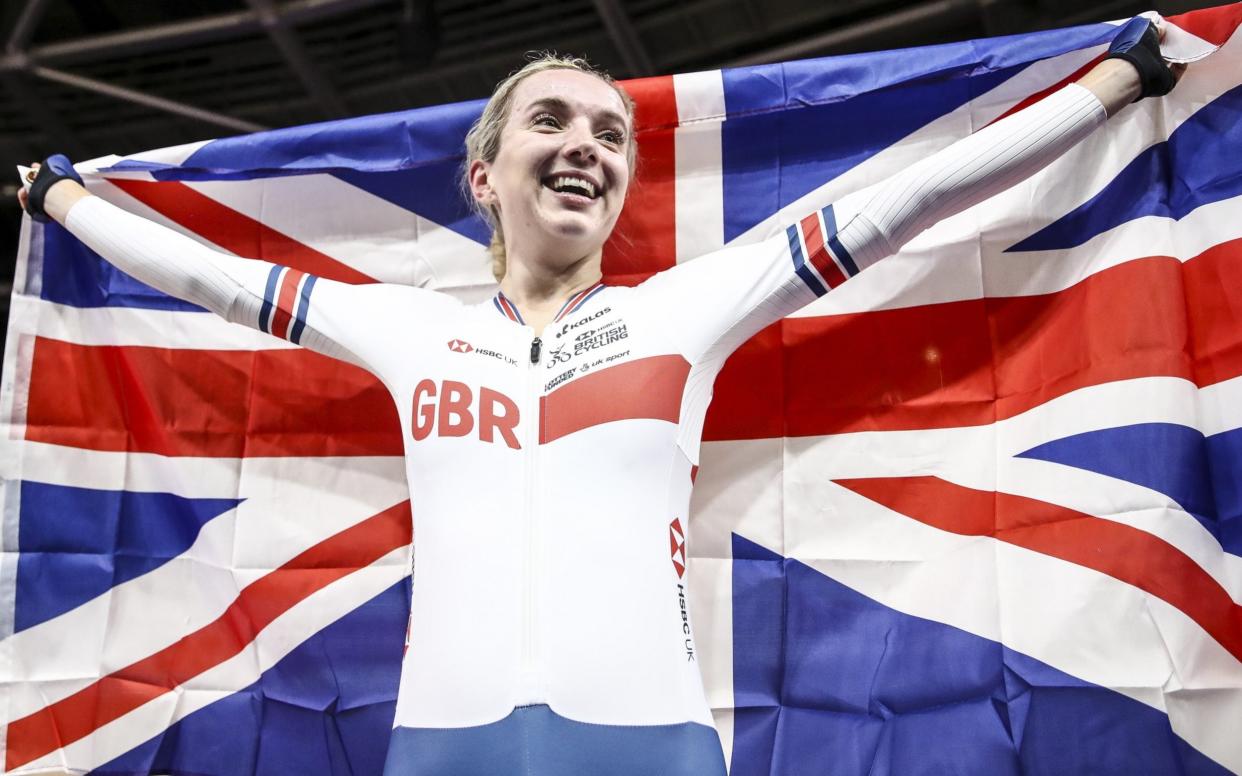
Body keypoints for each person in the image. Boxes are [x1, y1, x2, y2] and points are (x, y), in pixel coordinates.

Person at [19, 17, 1180, 776]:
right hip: (439, 748)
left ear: (625, 182)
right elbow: (218, 281)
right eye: (554, 121)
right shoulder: (409, 327)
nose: (589, 144)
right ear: (485, 177)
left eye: (612, 134)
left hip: (650, 747)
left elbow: (907, 201)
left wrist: (1115, 84)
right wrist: (63, 202)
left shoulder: (688, 306)